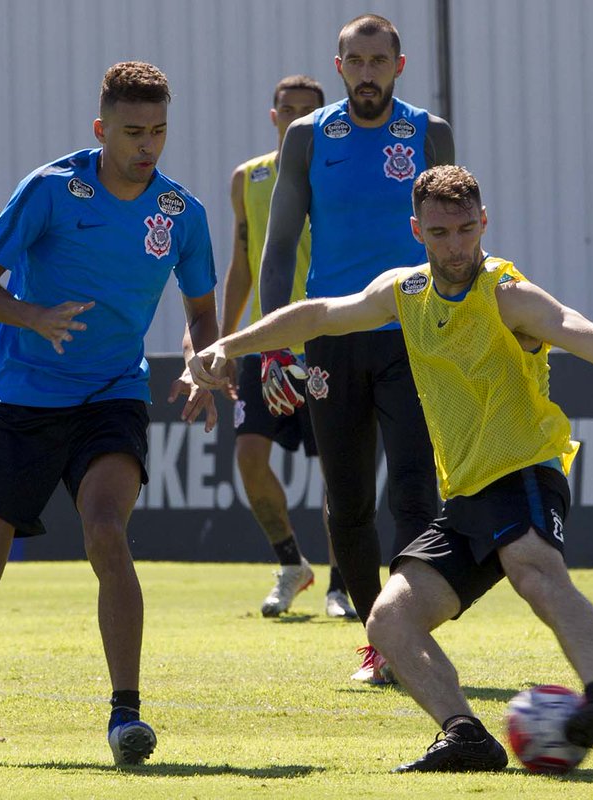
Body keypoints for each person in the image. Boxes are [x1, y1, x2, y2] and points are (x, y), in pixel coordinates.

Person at [190, 164, 593, 772]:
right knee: (388, 621)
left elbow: (592, 338)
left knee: (532, 568)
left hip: (523, 469)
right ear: (416, 231)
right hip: (465, 497)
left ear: (484, 222)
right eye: (440, 233)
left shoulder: (507, 294)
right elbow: (318, 315)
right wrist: (229, 344)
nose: (455, 246)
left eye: (466, 229)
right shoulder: (404, 292)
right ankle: (465, 734)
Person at [0, 62, 219, 768]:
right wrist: (34, 316)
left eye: (158, 131)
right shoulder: (50, 189)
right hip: (20, 403)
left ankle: (126, 716)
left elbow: (202, 314)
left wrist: (199, 361)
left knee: (106, 532)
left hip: (112, 394)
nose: (147, 145)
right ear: (101, 129)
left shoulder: (182, 212)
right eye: (132, 132)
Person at [256, 13, 455, 682]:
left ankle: (409, 635)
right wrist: (275, 344)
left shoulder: (428, 132)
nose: (368, 73)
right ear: (339, 67)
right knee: (346, 503)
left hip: (414, 336)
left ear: (400, 65)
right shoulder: (309, 136)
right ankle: (380, 640)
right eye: (356, 62)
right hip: (332, 340)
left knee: (414, 492)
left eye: (379, 61)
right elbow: (280, 245)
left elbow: (455, 237)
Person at [222, 74, 357, 620]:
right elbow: (242, 263)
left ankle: (342, 586)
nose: (296, 118)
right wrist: (225, 341)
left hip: (327, 341)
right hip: (267, 345)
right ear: (273, 115)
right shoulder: (248, 178)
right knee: (249, 458)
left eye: (308, 111)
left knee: (338, 473)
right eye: (288, 109)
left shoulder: (340, 174)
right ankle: (290, 564)